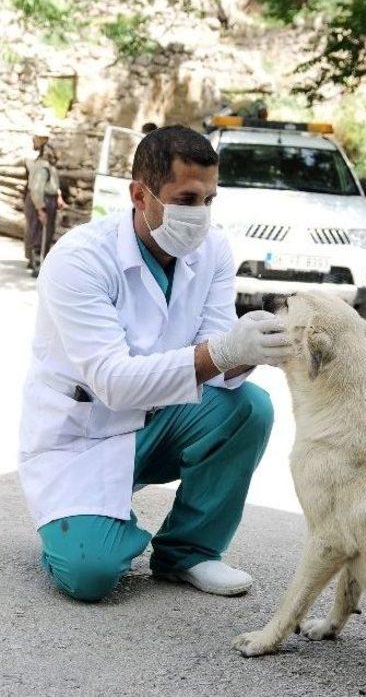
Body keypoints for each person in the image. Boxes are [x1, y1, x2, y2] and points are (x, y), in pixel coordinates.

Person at [18, 125, 291, 602]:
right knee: (91, 575)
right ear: (140, 195)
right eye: (187, 198)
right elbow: (113, 383)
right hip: (83, 433)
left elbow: (216, 349)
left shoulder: (214, 250)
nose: (200, 214)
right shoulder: (80, 260)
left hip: (159, 419)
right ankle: (84, 527)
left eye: (210, 199)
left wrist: (262, 346)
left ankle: (187, 551)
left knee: (250, 407)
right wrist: (225, 350)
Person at [23, 124, 66, 275]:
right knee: (40, 232)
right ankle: (37, 264)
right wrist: (40, 208)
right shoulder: (42, 165)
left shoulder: (48, 166)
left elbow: (52, 182)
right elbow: (36, 188)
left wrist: (59, 195)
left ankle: (34, 261)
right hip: (41, 199)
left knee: (40, 231)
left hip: (46, 198)